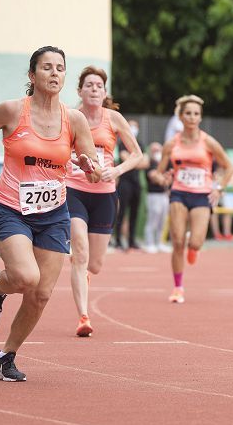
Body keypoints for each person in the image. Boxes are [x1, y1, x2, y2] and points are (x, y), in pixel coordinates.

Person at [0, 46, 101, 381]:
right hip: (11, 209)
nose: (54, 74)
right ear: (32, 75)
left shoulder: (75, 119)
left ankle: (5, 357)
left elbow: (94, 169)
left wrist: (87, 164)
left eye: (60, 68)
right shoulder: (12, 111)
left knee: (41, 295)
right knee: (25, 277)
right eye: (47, 68)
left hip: (53, 214)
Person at [65, 67, 143, 337]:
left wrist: (117, 170)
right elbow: (57, 148)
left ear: (105, 92)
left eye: (99, 85)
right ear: (80, 91)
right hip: (73, 190)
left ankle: (84, 275)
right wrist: (68, 160)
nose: (95, 89)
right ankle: (83, 316)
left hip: (105, 193)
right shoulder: (70, 118)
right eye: (89, 85)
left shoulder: (114, 119)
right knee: (80, 252)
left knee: (94, 265)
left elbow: (137, 155)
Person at [156, 95, 233, 303]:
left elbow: (229, 166)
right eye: (188, 113)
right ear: (181, 117)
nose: (192, 117)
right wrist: (162, 177)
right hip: (179, 194)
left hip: (201, 195)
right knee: (177, 240)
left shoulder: (208, 142)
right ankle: (178, 287)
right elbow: (157, 172)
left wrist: (219, 188)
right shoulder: (172, 144)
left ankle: (194, 247)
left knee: (196, 242)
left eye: (196, 114)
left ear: (200, 118)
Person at [113, 118, 148, 251]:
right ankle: (118, 240)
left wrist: (133, 161)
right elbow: (125, 158)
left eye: (135, 126)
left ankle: (132, 240)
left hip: (136, 183)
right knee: (121, 212)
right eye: (131, 126)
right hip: (124, 183)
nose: (133, 129)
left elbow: (146, 163)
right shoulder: (122, 144)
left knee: (134, 212)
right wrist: (137, 161)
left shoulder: (140, 144)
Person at [143, 142, 170, 253]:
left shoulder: (164, 163)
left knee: (162, 220)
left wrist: (164, 179)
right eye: (154, 150)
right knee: (152, 219)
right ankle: (149, 243)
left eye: (158, 150)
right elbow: (154, 177)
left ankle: (160, 243)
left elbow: (169, 178)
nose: (157, 152)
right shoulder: (150, 163)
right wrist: (163, 179)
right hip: (153, 195)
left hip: (164, 195)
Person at [209, 162, 233, 241]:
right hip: (210, 191)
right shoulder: (211, 166)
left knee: (227, 210)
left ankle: (227, 233)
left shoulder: (226, 169)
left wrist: (220, 189)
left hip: (221, 192)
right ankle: (217, 234)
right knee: (214, 211)